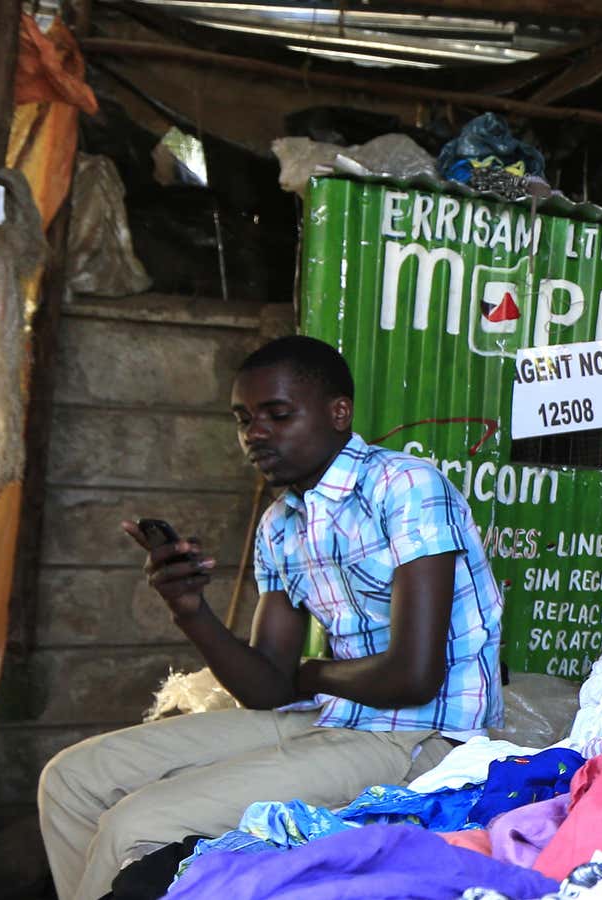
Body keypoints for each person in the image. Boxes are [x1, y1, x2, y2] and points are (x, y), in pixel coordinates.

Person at [38, 335, 504, 900]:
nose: (254, 434)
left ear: (339, 413)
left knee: (135, 823)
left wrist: (309, 675)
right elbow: (266, 685)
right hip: (335, 716)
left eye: (277, 415)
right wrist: (191, 611)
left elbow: (414, 676)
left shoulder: (404, 486)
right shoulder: (281, 522)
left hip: (419, 734)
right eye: (243, 419)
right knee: (70, 779)